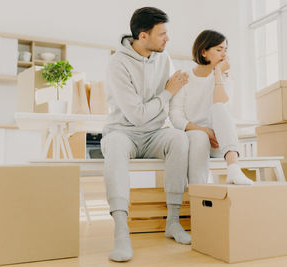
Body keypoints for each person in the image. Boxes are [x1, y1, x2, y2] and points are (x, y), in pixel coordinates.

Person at [101, 7, 191, 262]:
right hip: (123, 132)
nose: (167, 38)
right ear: (143, 36)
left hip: (154, 134)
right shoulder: (117, 63)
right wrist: (167, 92)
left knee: (179, 139)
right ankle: (121, 231)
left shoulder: (164, 58)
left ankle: (172, 222)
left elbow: (173, 100)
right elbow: (137, 115)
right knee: (115, 145)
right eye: (161, 34)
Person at [169, 30, 254, 185]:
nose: (224, 55)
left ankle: (234, 169)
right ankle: (198, 193)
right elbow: (176, 116)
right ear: (203, 52)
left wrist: (218, 74)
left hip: (219, 142)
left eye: (225, 50)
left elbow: (220, 106)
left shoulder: (225, 78)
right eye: (218, 50)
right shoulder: (184, 77)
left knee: (219, 109)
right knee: (200, 138)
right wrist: (204, 131)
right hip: (194, 140)